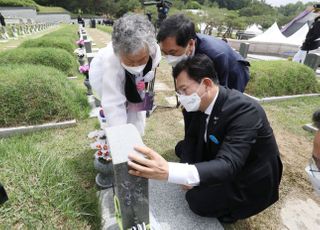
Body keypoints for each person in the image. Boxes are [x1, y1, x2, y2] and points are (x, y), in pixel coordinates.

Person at [128, 54, 283, 223]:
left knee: (196, 200)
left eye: (184, 90)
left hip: (248, 176)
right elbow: (191, 138)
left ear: (207, 84)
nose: (182, 98)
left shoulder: (245, 111)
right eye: (178, 92)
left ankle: (231, 213)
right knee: (181, 149)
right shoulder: (196, 103)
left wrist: (171, 172)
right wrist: (186, 171)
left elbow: (229, 164)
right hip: (221, 150)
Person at [89, 14, 161, 135]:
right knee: (119, 111)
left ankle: (138, 134)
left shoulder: (154, 50)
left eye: (142, 59)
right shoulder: (111, 62)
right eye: (131, 61)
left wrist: (141, 82)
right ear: (119, 54)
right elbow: (113, 105)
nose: (136, 65)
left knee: (138, 106)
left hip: (139, 81)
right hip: (107, 76)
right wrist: (122, 138)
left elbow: (148, 71)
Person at [157, 14, 250, 93]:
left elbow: (220, 92)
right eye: (164, 53)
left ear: (190, 44)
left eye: (172, 52)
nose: (169, 58)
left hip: (234, 71)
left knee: (227, 104)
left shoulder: (215, 55)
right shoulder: (178, 48)